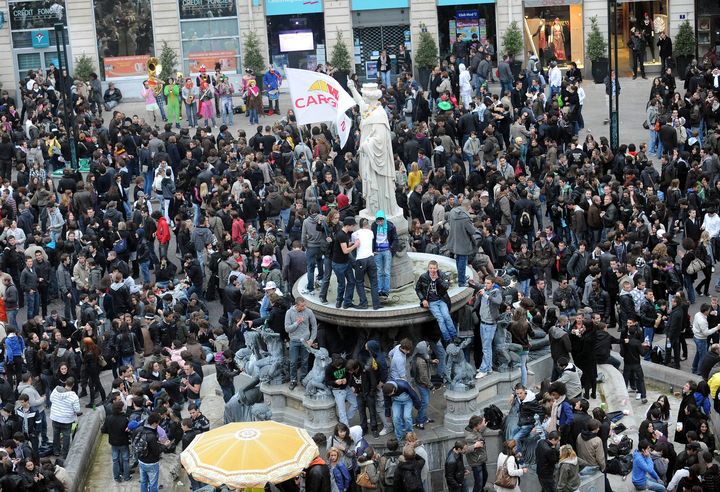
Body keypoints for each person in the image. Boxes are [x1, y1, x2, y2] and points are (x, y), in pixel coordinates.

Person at [415, 260, 458, 345]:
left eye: (434, 268)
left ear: (437, 268)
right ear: (428, 268)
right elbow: (417, 289)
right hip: (431, 302)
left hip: (441, 300)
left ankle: (454, 337)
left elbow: (446, 287)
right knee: (440, 319)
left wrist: (438, 279)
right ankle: (448, 339)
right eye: (431, 268)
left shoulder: (442, 275)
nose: (432, 270)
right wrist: (423, 299)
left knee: (447, 317)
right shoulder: (424, 277)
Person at [284, 296, 317, 390]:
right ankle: (293, 380)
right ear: (297, 305)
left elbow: (314, 326)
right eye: (302, 306)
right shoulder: (289, 313)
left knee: (305, 361)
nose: (304, 307)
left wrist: (311, 339)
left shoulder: (309, 312)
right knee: (293, 362)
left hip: (305, 341)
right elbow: (287, 329)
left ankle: (303, 379)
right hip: (294, 340)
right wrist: (297, 323)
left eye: (304, 305)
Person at [447, 197, 478, 287]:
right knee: (462, 261)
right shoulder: (465, 217)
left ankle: (461, 277)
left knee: (458, 259)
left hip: (454, 241)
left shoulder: (452, 212)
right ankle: (461, 281)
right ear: (468, 206)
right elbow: (472, 231)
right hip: (464, 243)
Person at [476, 277, 503, 378]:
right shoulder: (484, 289)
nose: (485, 285)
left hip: (490, 324)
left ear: (492, 284)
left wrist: (486, 296)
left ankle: (483, 370)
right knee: (487, 348)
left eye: (488, 283)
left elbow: (498, 301)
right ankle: (489, 367)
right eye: (485, 283)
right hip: (483, 323)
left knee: (486, 348)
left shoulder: (496, 292)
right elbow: (476, 285)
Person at [352, 218, 381, 310]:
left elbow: (353, 243)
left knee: (359, 282)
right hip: (370, 258)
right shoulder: (370, 233)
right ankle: (376, 304)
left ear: (359, 225)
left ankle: (363, 303)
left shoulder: (355, 234)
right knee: (374, 282)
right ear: (367, 225)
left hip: (361, 259)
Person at [49, 377, 81, 459]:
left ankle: (56, 451)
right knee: (66, 436)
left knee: (56, 435)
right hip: (67, 420)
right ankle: (64, 454)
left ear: (65, 383)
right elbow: (77, 410)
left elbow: (51, 399)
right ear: (73, 385)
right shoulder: (74, 397)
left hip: (55, 417)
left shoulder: (56, 390)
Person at [332, 217, 359, 309]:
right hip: (339, 264)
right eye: (353, 226)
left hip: (345, 262)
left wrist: (351, 243)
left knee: (351, 281)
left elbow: (344, 245)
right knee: (342, 284)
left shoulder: (344, 234)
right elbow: (345, 251)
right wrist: (355, 245)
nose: (354, 228)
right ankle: (339, 301)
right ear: (349, 226)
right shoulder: (342, 235)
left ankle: (347, 302)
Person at [101, 400, 131, 483]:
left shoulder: (108, 418)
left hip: (113, 442)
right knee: (125, 459)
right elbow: (129, 431)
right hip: (123, 442)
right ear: (121, 409)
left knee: (115, 460)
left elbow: (103, 430)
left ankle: (116, 477)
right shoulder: (125, 419)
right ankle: (126, 476)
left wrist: (111, 432)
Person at [382, 380, 420, 444]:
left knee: (407, 416)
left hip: (407, 400)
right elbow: (387, 402)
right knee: (395, 418)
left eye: (391, 394)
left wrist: (418, 405)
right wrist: (387, 414)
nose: (390, 395)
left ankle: (410, 434)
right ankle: (399, 437)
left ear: (394, 389)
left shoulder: (403, 385)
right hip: (397, 402)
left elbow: (414, 395)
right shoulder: (386, 390)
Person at [371, 210, 397, 298]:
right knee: (379, 271)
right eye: (378, 221)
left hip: (387, 251)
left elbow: (395, 239)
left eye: (381, 220)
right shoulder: (374, 226)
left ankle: (386, 291)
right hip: (377, 251)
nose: (380, 222)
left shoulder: (390, 226)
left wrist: (391, 249)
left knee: (386, 271)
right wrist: (372, 249)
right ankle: (379, 290)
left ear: (384, 219)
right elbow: (372, 238)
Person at [135, 412, 163, 492]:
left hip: (141, 460)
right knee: (153, 484)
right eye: (158, 423)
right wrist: (164, 446)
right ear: (155, 423)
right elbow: (156, 452)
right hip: (151, 463)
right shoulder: (151, 436)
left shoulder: (139, 429)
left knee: (143, 481)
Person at [464, 415, 488, 492]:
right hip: (476, 462)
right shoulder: (470, 437)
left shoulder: (474, 430)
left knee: (485, 477)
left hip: (480, 459)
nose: (482, 425)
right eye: (481, 424)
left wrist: (483, 426)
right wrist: (475, 445)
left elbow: (478, 433)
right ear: (476, 425)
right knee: (479, 483)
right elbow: (464, 450)